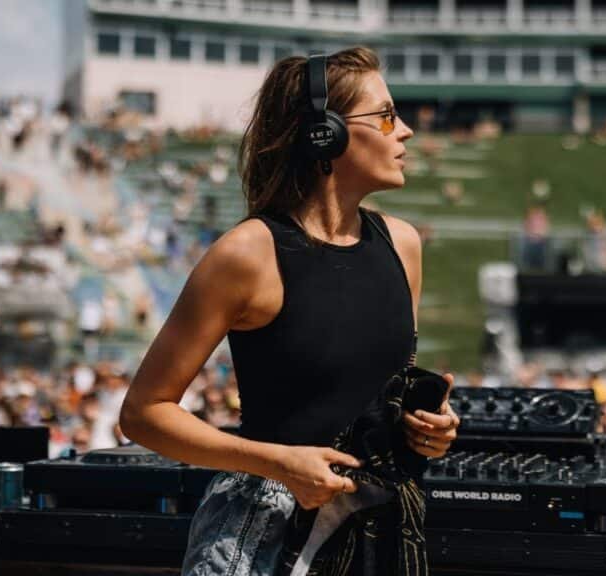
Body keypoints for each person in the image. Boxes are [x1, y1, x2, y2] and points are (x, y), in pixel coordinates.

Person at [118, 47, 460, 576]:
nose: (406, 131)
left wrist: (427, 431)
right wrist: (279, 461)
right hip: (263, 538)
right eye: (387, 115)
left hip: (381, 535)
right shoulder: (246, 253)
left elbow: (376, 402)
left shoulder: (404, 244)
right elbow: (144, 413)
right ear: (325, 133)